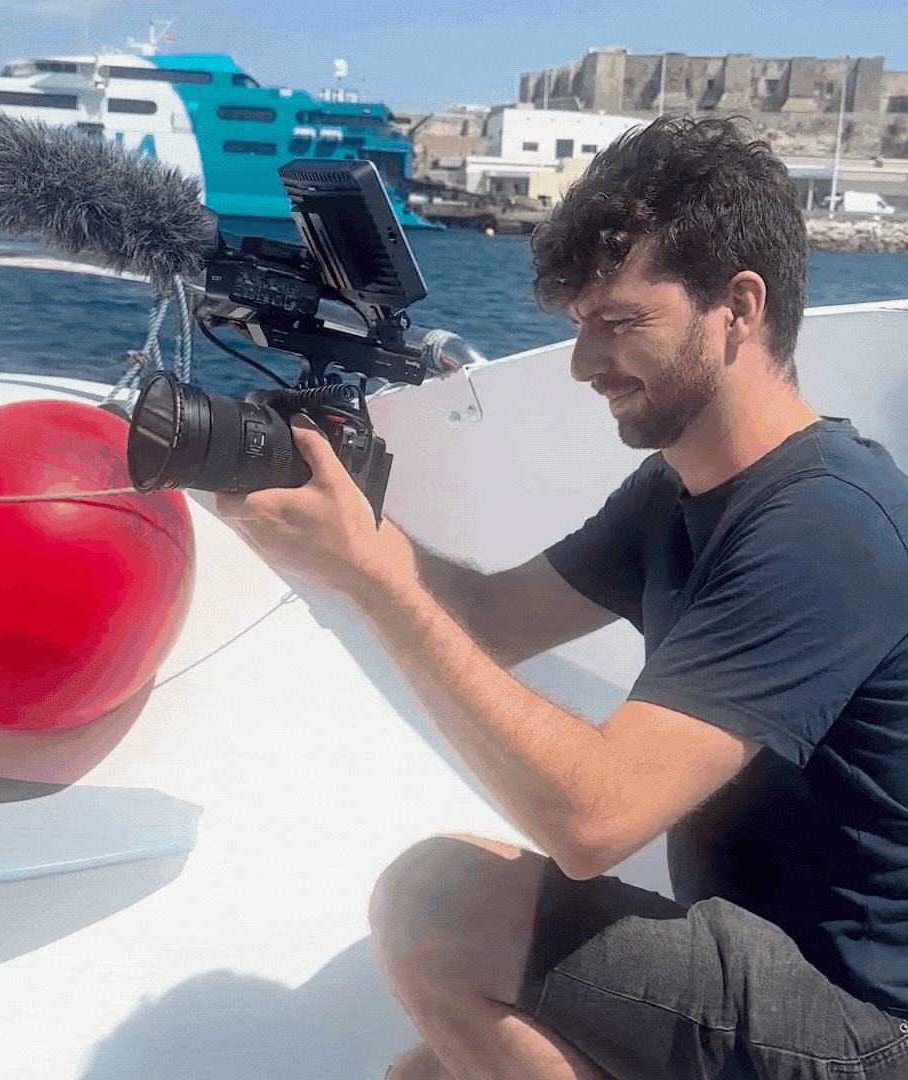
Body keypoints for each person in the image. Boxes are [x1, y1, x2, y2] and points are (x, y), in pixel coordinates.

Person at [213, 116, 908, 1079]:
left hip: (862, 1031)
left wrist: (372, 575)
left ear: (739, 309)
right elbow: (492, 620)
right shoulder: (680, 489)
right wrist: (344, 529)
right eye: (580, 325)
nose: (584, 365)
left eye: (620, 324)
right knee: (422, 1075)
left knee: (439, 907)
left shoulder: (826, 522)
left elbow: (593, 822)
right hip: (755, 973)